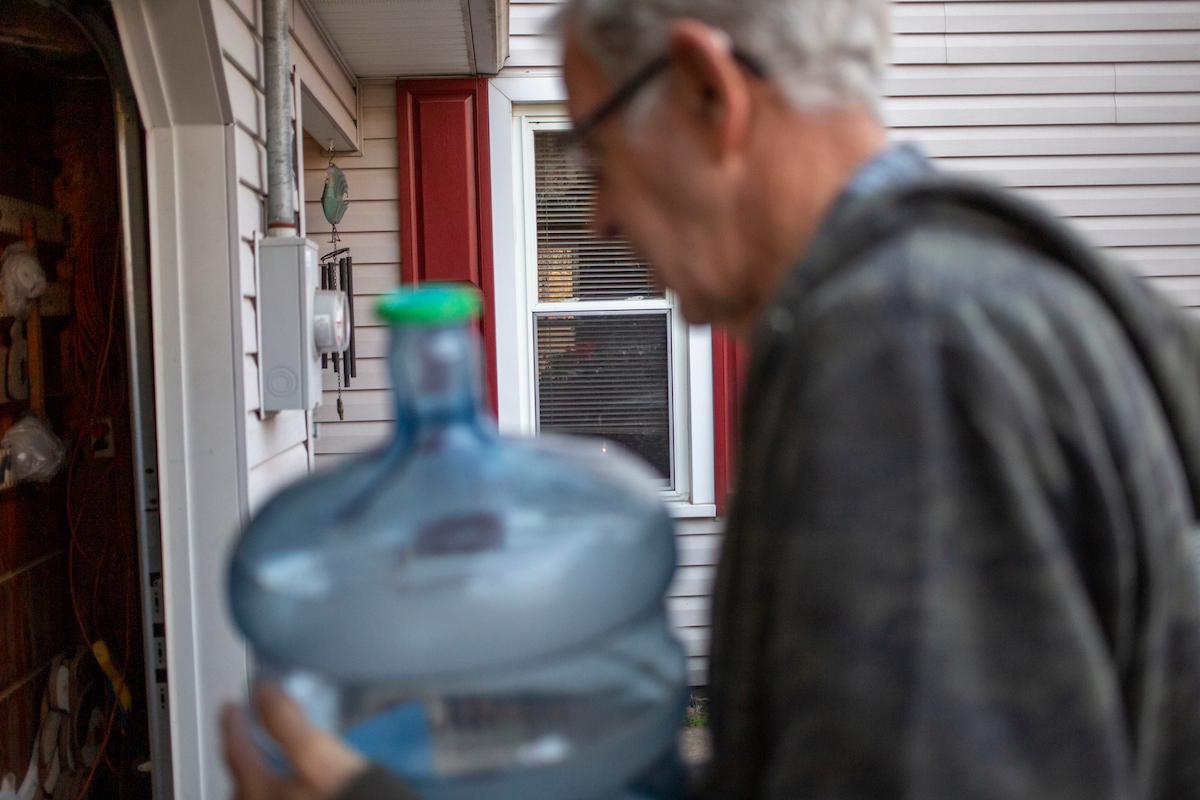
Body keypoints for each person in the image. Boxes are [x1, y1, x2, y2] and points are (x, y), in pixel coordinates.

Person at [225, 0, 1200, 797]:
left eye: (597, 157)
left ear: (708, 89)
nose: (598, 215)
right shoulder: (989, 289)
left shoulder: (900, 350)